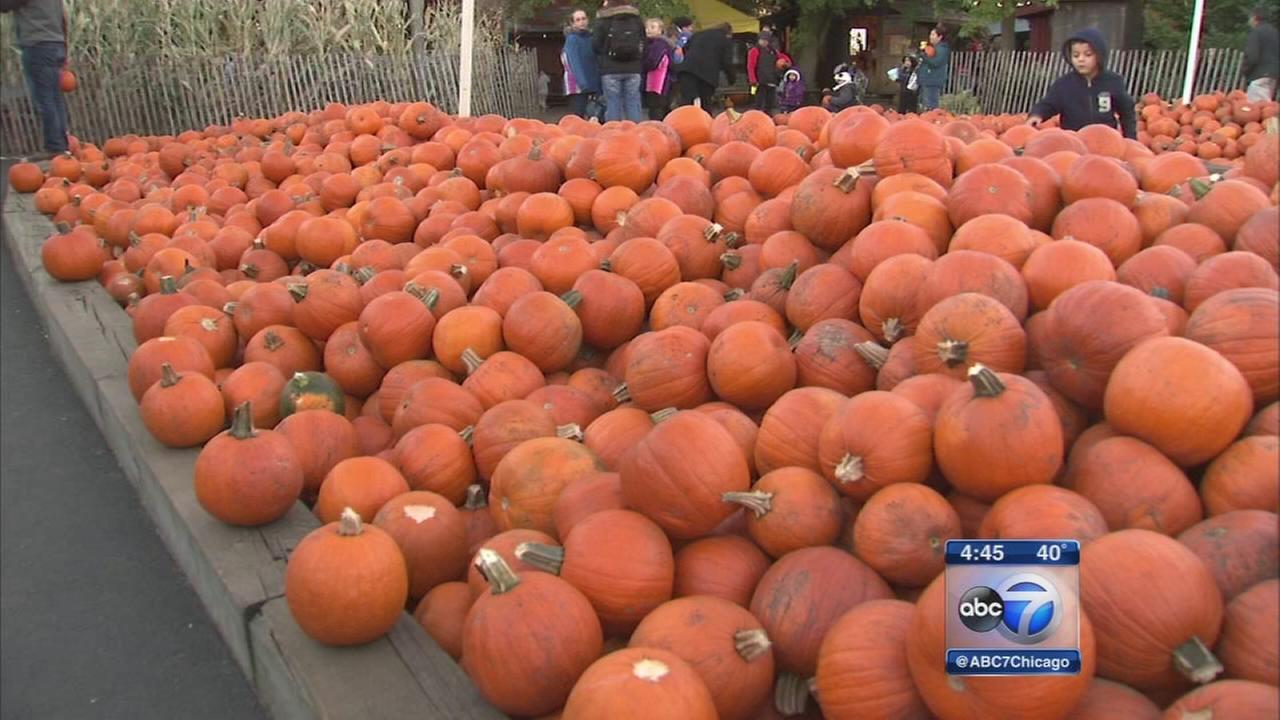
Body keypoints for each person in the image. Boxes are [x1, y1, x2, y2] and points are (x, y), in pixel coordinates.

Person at [1026, 27, 1137, 139]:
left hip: (1104, 139)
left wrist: (1130, 138)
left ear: (1099, 55)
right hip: (1074, 140)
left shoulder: (1113, 81)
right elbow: (1049, 104)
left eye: (1088, 55)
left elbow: (1126, 112)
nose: (1081, 59)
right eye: (1076, 55)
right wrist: (1037, 114)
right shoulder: (1064, 84)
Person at [6, 0, 70, 158]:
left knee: (45, 99)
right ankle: (62, 146)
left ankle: (55, 147)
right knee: (54, 98)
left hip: (38, 44)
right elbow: (63, 17)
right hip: (56, 42)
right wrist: (64, 47)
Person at [592, 0, 646, 122]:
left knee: (612, 102)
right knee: (633, 101)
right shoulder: (636, 19)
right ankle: (636, 133)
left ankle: (613, 134)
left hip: (610, 68)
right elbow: (644, 42)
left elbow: (596, 45)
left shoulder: (603, 20)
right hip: (633, 67)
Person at [676, 22, 736, 110]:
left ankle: (681, 121)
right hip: (707, 74)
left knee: (686, 101)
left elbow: (685, 48)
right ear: (728, 33)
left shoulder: (698, 34)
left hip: (688, 69)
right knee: (706, 102)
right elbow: (727, 62)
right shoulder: (725, 40)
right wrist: (731, 79)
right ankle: (705, 122)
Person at [561, 9, 602, 119]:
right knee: (578, 118)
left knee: (594, 116)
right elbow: (574, 63)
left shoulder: (591, 38)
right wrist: (583, 83)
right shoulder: (572, 39)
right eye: (578, 20)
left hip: (592, 83)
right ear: (573, 23)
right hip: (577, 86)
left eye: (583, 19)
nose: (581, 22)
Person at [747, 30, 788, 114]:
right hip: (759, 81)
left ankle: (767, 117)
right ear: (759, 40)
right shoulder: (754, 50)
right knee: (759, 102)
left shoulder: (773, 51)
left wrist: (787, 61)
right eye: (762, 40)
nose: (764, 42)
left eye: (766, 40)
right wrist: (752, 79)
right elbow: (751, 66)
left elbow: (781, 56)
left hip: (771, 79)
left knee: (769, 102)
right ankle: (757, 116)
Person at [1243, 7, 1279, 102]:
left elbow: (1252, 56)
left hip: (1259, 74)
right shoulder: (1275, 32)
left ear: (1254, 18)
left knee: (1257, 107)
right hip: (1273, 75)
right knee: (1266, 105)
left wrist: (1245, 70)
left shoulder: (1257, 32)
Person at [642, 18, 675, 120]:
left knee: (656, 108)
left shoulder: (659, 44)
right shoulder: (650, 44)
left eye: (652, 27)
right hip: (655, 81)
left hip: (658, 83)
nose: (648, 30)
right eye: (647, 27)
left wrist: (641, 65)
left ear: (660, 30)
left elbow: (653, 62)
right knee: (659, 107)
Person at [916, 24, 950, 110]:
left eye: (933, 35)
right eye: (930, 34)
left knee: (930, 105)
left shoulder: (942, 49)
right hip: (927, 79)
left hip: (932, 80)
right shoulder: (933, 48)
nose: (930, 37)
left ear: (940, 37)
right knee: (925, 104)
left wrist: (924, 56)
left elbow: (936, 63)